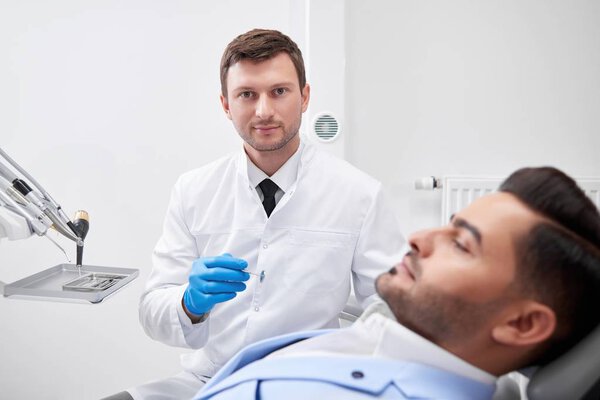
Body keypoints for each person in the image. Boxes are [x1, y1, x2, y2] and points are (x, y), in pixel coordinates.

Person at [124, 29, 405, 399]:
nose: (264, 111)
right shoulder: (194, 190)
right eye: (246, 95)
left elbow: (392, 309)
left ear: (304, 97)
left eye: (279, 91)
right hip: (211, 380)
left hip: (311, 385)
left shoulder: (359, 194)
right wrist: (188, 304)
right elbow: (152, 311)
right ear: (226, 105)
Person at [190, 166, 600, 400]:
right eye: (448, 227)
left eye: (460, 244)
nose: (419, 239)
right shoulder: (387, 337)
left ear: (522, 324)